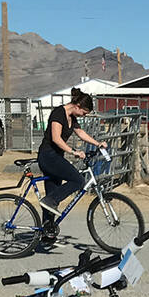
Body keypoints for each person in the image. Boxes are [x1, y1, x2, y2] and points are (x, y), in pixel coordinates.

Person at [37, 87, 105, 218]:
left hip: (56, 157)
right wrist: (73, 151)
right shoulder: (58, 113)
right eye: (84, 113)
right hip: (48, 156)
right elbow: (56, 138)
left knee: (52, 196)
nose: (83, 116)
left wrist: (98, 143)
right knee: (78, 181)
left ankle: (47, 233)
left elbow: (80, 133)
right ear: (78, 106)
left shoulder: (72, 117)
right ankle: (50, 201)